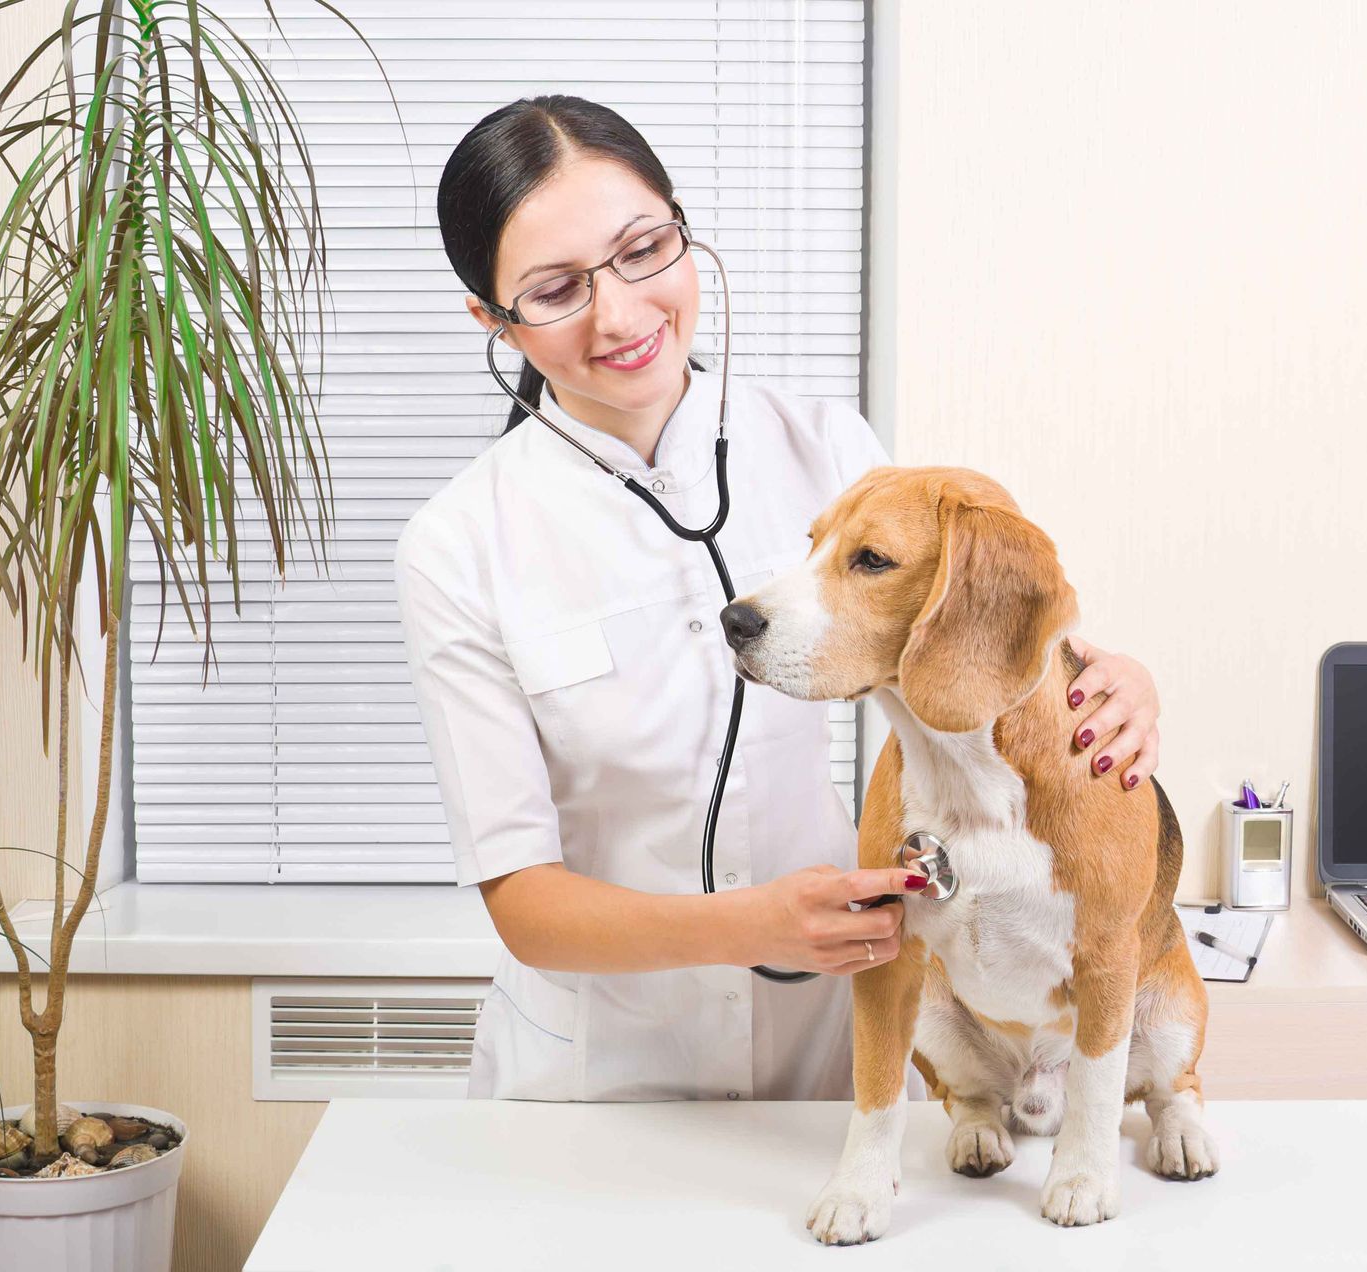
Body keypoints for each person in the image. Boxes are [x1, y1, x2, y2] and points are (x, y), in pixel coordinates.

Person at [394, 95, 1165, 1102]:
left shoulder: (830, 449)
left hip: (830, 1052)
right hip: (600, 1077)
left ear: (682, 227)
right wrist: (750, 925)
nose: (620, 314)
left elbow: (961, 663)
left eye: (642, 250)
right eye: (554, 290)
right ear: (491, 319)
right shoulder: (457, 546)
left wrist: (1116, 681)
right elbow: (524, 902)